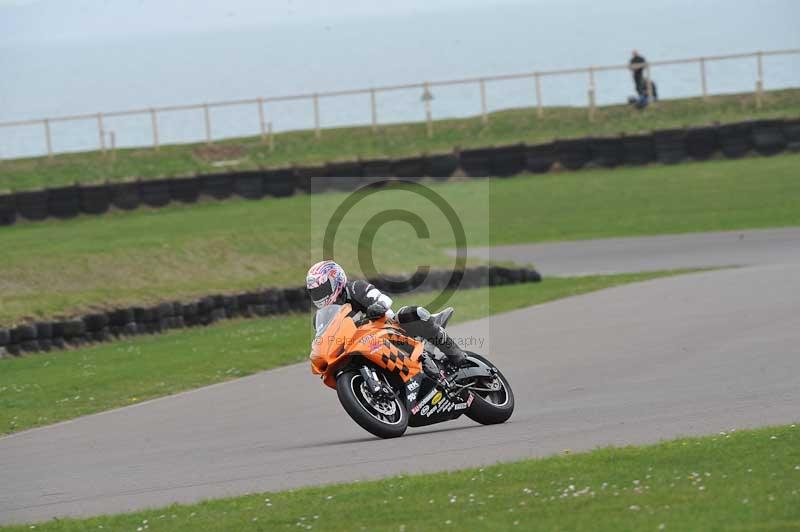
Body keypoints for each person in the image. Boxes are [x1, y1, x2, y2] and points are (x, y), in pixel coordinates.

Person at [306, 260, 467, 377]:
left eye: (323, 289)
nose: (320, 296)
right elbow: (324, 338)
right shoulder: (321, 317)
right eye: (316, 292)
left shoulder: (355, 288)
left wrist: (378, 307)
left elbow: (383, 299)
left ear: (336, 280)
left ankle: (457, 356)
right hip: (360, 346)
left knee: (412, 313)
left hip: (389, 330)